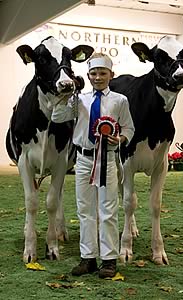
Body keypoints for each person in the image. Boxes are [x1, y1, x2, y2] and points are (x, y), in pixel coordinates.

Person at [51, 53, 135, 278]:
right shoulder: (80, 99)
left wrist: (121, 139)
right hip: (84, 159)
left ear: (111, 75)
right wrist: (64, 97)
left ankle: (108, 260)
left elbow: (128, 128)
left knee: (108, 209)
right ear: (88, 76)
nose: (98, 77)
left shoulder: (120, 100)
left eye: (102, 73)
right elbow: (58, 118)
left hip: (107, 158)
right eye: (93, 73)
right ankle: (87, 257)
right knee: (84, 210)